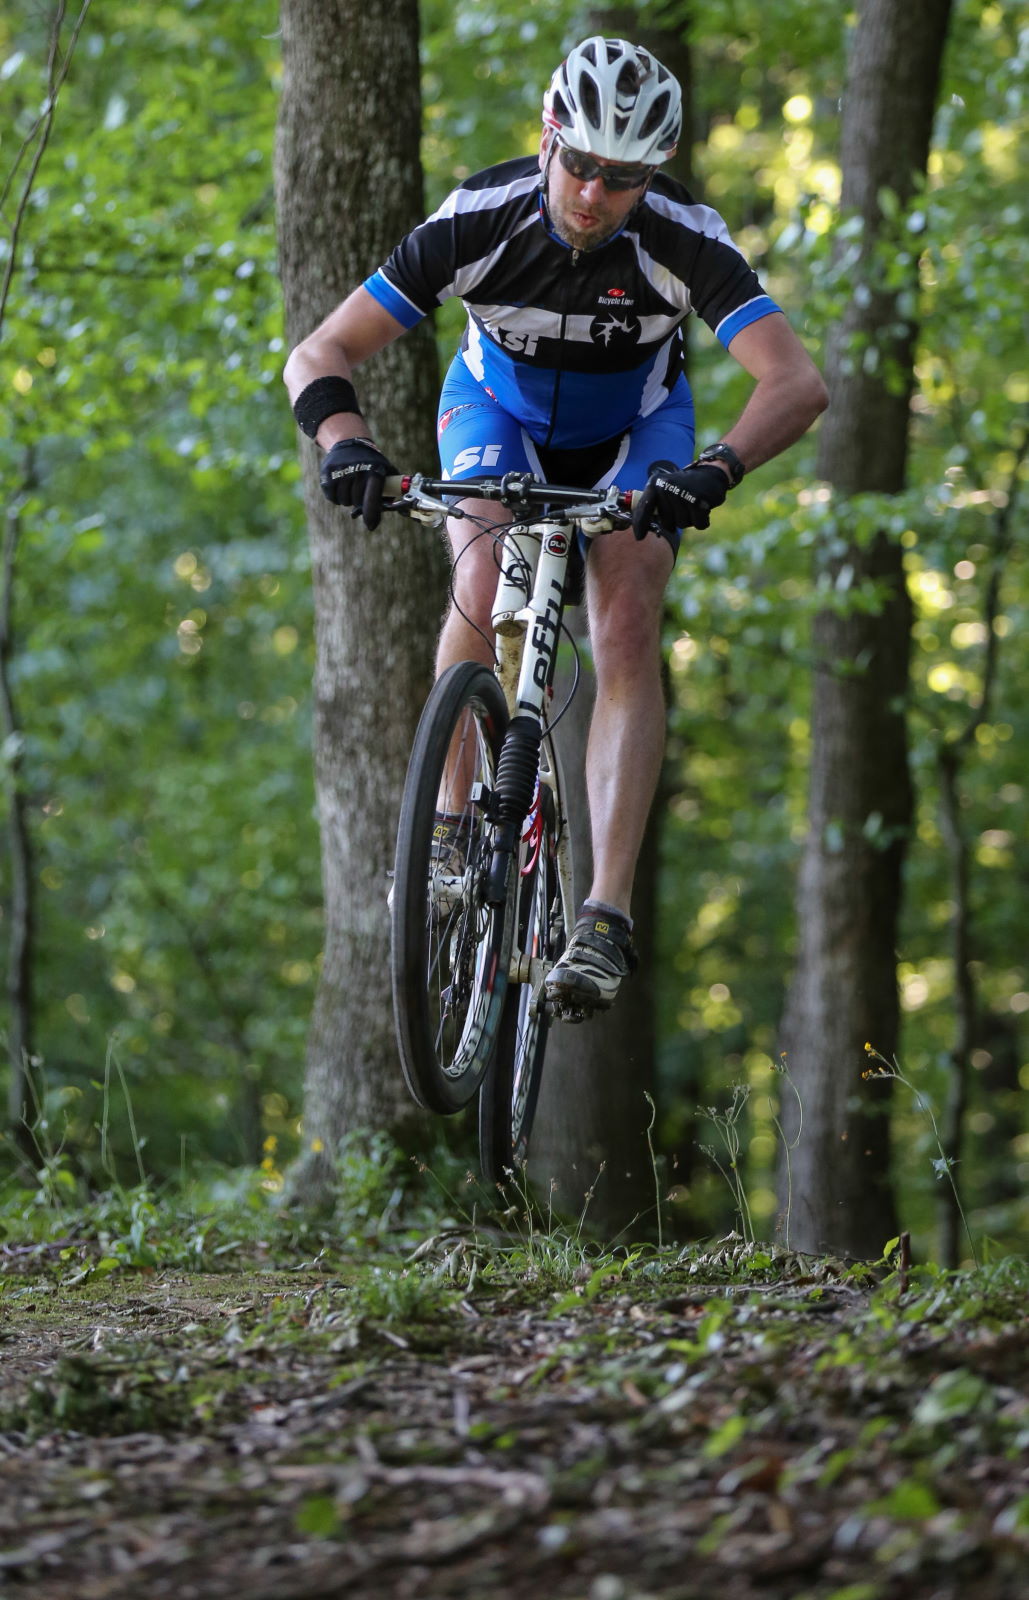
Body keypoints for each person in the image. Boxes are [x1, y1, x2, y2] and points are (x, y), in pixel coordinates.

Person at [283, 36, 828, 1020]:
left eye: (622, 179)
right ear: (547, 137)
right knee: (482, 576)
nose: (592, 194)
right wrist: (344, 444)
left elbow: (796, 382)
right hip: (499, 414)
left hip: (636, 434)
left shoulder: (683, 237)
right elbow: (320, 349)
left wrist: (715, 471)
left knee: (625, 622)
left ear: (650, 175)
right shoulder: (477, 219)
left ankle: (604, 916)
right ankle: (447, 831)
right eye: (578, 164)